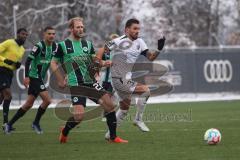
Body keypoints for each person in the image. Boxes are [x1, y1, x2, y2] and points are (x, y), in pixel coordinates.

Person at [50, 17, 128, 143]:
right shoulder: (63, 46)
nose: (81, 29)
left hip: (90, 82)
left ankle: (113, 137)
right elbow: (53, 63)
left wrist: (104, 62)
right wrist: (60, 79)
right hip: (76, 84)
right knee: (79, 117)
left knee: (110, 105)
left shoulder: (88, 45)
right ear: (71, 29)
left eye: (82, 27)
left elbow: (94, 62)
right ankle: (65, 131)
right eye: (78, 27)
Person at [97, 18, 165, 139]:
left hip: (126, 78)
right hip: (118, 78)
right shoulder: (118, 41)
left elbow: (151, 57)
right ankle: (138, 119)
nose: (137, 31)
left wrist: (159, 49)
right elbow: (102, 50)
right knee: (146, 91)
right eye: (134, 28)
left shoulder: (140, 42)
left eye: (138, 29)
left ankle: (109, 135)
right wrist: (101, 62)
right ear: (127, 30)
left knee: (124, 109)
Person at [4, 27, 57, 134]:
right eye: (49, 33)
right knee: (47, 100)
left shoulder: (55, 46)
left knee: (28, 104)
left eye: (53, 34)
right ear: (44, 34)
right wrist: (27, 76)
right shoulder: (39, 46)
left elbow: (56, 60)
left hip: (40, 77)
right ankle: (36, 123)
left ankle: (9, 125)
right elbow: (28, 61)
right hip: (34, 76)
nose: (51, 35)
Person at [0, 28, 28, 130]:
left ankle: (5, 124)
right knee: (8, 96)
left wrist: (17, 65)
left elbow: (14, 62)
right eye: (22, 34)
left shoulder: (22, 50)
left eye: (26, 35)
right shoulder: (9, 43)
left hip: (9, 73)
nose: (24, 36)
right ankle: (6, 124)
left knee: (2, 98)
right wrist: (4, 60)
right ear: (18, 34)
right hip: (1, 70)